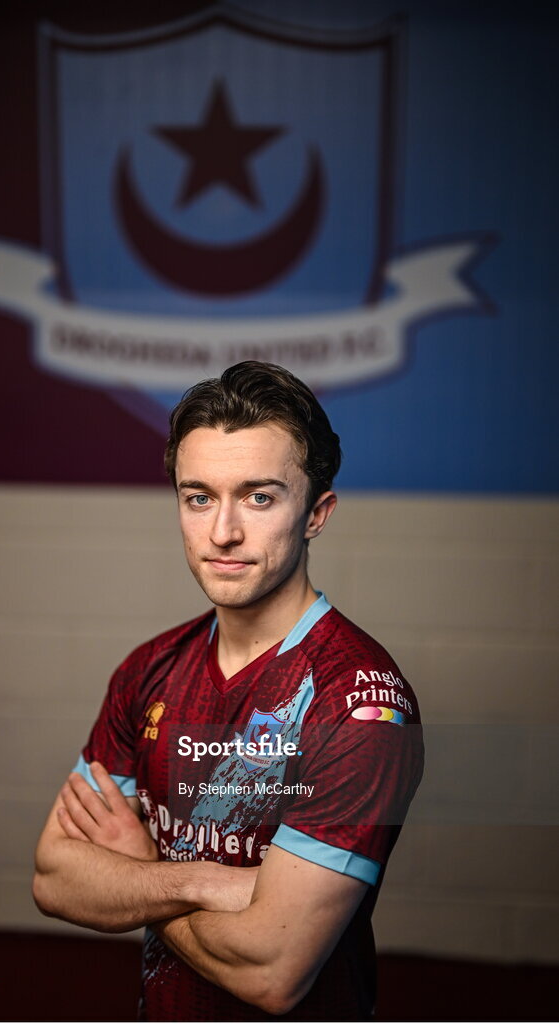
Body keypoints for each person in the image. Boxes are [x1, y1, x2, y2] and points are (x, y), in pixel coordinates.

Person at [33, 361, 424, 1021]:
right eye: (199, 496)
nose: (223, 532)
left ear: (316, 513)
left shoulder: (361, 704)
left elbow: (273, 972)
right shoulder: (148, 668)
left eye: (260, 497)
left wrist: (138, 874)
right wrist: (196, 876)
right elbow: (54, 876)